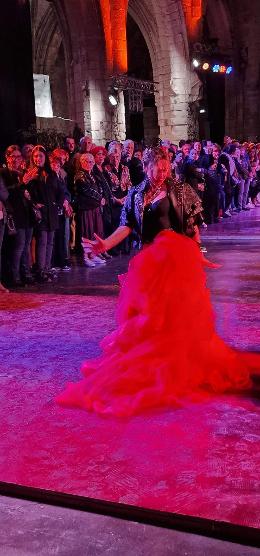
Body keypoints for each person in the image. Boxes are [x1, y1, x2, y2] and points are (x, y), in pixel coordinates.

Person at [57, 147, 259, 417]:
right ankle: (151, 362)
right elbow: (126, 226)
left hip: (176, 261)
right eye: (157, 169)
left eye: (165, 169)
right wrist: (104, 243)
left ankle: (177, 364)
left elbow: (192, 227)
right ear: (148, 166)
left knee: (174, 317)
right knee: (148, 317)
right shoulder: (136, 192)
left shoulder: (179, 189)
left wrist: (199, 255)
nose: (162, 173)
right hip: (147, 264)